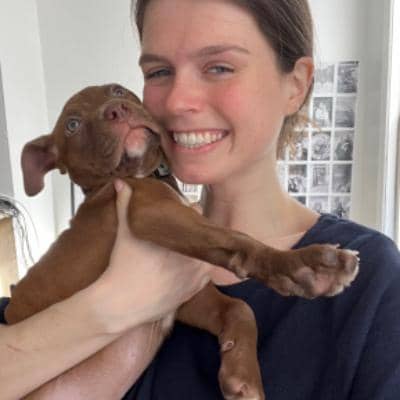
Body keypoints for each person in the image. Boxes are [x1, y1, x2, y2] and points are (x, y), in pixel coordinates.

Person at [1, 0, 400, 399]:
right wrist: (106, 308)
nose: (178, 101)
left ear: (295, 85)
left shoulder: (371, 281)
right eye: (159, 72)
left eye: (219, 67)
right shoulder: (117, 220)